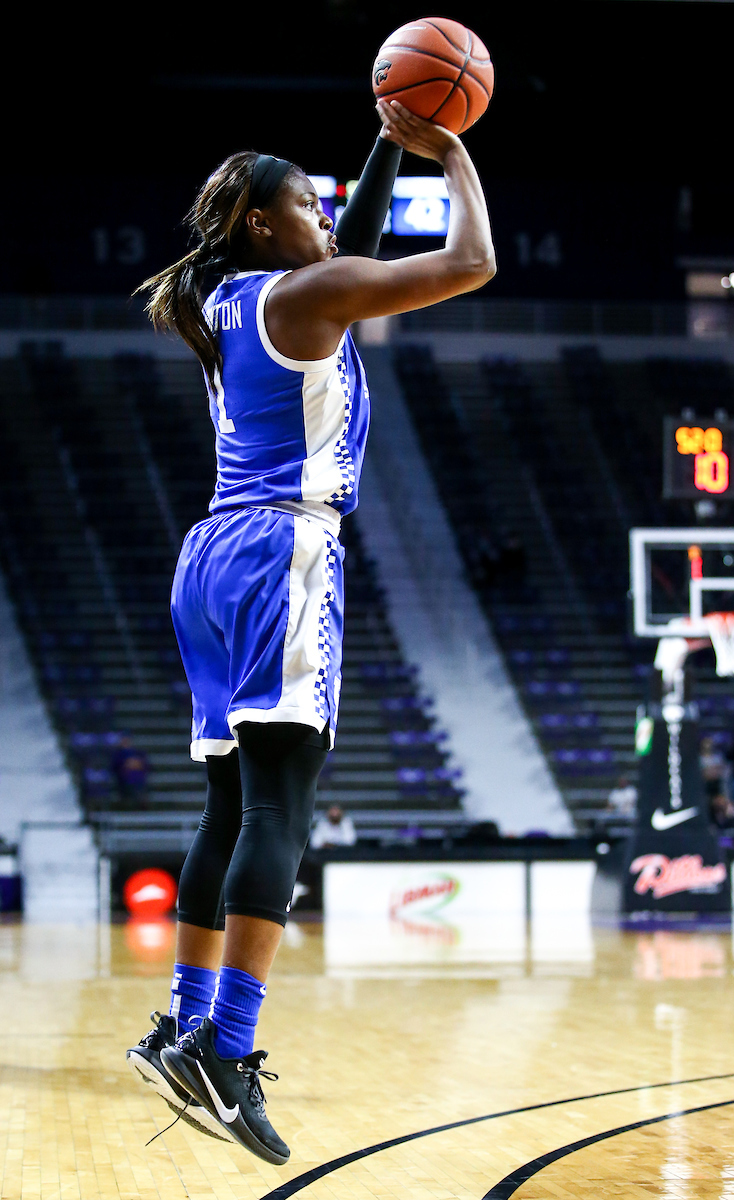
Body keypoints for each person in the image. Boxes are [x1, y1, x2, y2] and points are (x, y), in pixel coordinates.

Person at [125, 99, 495, 1164]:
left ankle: (183, 1023)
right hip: (283, 549)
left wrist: (386, 139)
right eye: (307, 205)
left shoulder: (222, 295)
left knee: (230, 801)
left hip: (208, 557)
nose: (328, 220)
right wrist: (452, 145)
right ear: (257, 221)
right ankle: (225, 1049)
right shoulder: (310, 288)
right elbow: (469, 260)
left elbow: (348, 250)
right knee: (283, 803)